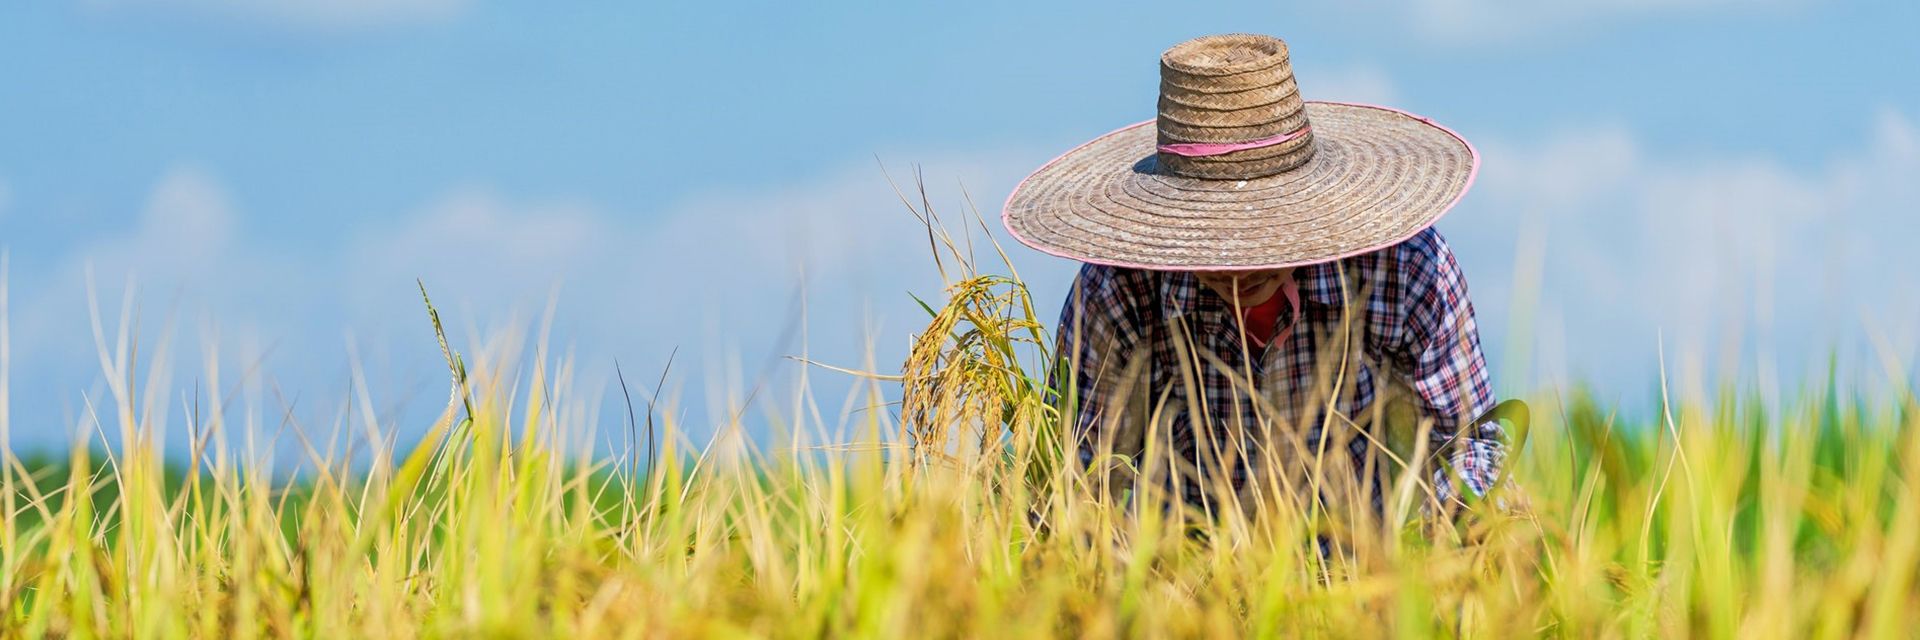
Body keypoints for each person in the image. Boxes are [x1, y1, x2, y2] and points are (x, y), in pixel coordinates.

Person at [1000, 34, 1511, 519]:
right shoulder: (1122, 291)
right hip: (1185, 584)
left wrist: (1441, 545)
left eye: (1261, 232)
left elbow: (1467, 443)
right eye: (1212, 236)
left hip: (1365, 573)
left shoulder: (1401, 267)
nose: (1238, 267)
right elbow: (1075, 471)